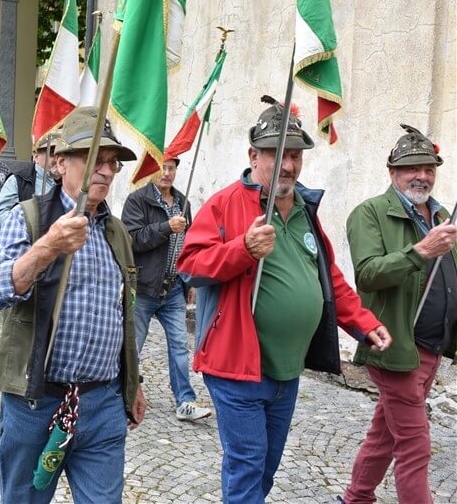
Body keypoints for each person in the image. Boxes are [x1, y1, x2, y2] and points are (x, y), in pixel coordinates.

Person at [176, 97, 391, 503]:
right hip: (235, 366)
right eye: (276, 155)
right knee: (248, 462)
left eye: (294, 156)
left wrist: (364, 323)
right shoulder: (225, 204)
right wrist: (242, 249)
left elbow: (328, 278)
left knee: (267, 466)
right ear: (253, 155)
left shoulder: (306, 209)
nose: (288, 166)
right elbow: (190, 266)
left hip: (287, 370)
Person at [0, 106, 145, 503]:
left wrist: (132, 382)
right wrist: (49, 247)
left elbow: (123, 315)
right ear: (59, 162)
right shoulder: (30, 218)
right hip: (36, 400)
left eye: (112, 163)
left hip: (102, 401)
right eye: (94, 159)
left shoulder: (117, 231)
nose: (106, 172)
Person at [341, 125, 456, 504]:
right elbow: (369, 274)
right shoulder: (369, 213)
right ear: (392, 172)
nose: (421, 175)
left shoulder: (440, 214)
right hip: (394, 347)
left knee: (385, 433)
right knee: (416, 444)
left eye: (429, 168)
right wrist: (420, 251)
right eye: (412, 168)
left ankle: (356, 498)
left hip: (431, 347)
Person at [121, 157, 211, 422]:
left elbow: (189, 245)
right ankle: (125, 396)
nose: (166, 173)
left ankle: (185, 401)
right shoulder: (138, 200)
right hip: (144, 288)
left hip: (173, 289)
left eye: (171, 168)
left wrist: (189, 281)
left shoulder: (183, 203)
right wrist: (165, 228)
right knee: (132, 346)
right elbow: (132, 239)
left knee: (180, 346)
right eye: (161, 167)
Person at [0, 132, 60, 237]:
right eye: (52, 153)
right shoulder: (18, 181)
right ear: (36, 156)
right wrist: (34, 218)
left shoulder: (72, 181)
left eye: (62, 154)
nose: (58, 159)